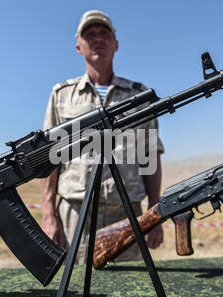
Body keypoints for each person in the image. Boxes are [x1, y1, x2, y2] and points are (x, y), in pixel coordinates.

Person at [40, 10, 165, 264]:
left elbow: (150, 156)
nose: (98, 39)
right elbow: (49, 157)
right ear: (78, 46)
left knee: (128, 292)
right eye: (90, 35)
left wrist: (155, 213)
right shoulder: (62, 95)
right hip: (76, 214)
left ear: (116, 44)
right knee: (75, 292)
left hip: (127, 213)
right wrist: (48, 214)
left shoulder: (138, 97)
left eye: (104, 34)